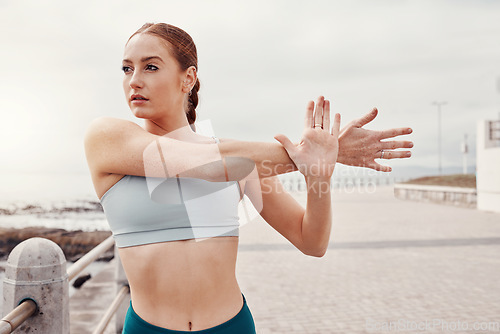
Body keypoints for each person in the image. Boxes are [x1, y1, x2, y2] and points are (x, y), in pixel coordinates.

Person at [84, 23, 413, 333]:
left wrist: (319, 175)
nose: (134, 80)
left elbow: (311, 241)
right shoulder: (108, 138)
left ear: (188, 79)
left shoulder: (240, 159)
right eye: (127, 68)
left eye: (150, 67)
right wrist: (330, 150)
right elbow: (203, 163)